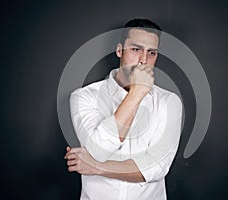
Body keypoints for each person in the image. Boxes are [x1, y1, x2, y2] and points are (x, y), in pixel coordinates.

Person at [64, 19, 182, 200]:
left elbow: (157, 167)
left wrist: (97, 167)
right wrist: (136, 93)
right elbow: (98, 151)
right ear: (120, 50)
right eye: (136, 49)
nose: (144, 60)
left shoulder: (169, 102)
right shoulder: (84, 97)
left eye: (152, 53)